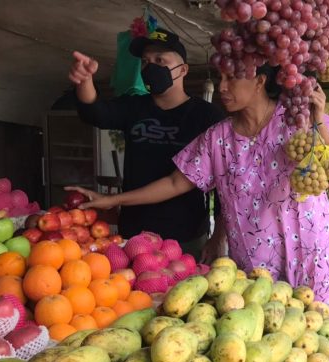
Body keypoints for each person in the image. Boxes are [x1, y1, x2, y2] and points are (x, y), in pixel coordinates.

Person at [67, 65, 329, 362]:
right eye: (220, 77)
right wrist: (110, 200)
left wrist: (317, 118)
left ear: (260, 80)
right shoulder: (217, 138)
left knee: (321, 356)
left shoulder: (296, 119)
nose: (222, 86)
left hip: (311, 256)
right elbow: (173, 183)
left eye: (232, 77)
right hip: (255, 271)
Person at [67, 27, 225, 259]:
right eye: (145, 61)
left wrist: (218, 237)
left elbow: (222, 184)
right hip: (133, 234)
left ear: (183, 70)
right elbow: (95, 113)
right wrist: (84, 81)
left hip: (185, 237)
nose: (150, 67)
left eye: (160, 60)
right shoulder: (134, 107)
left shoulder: (207, 117)